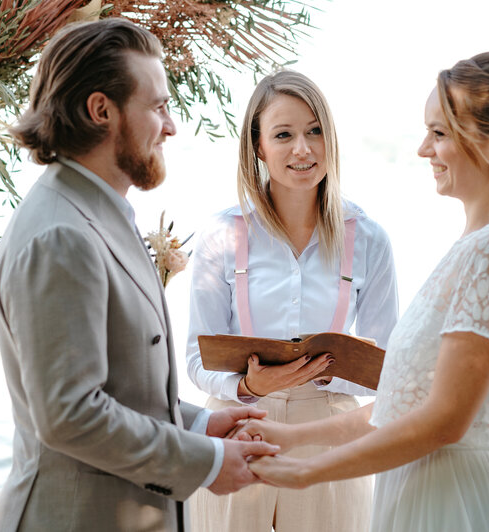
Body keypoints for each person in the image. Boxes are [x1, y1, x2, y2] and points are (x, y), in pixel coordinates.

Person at [238, 51, 489, 531]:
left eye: (440, 133)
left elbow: (445, 421)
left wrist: (306, 473)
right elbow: (399, 408)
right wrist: (289, 436)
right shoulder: (477, 246)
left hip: (449, 501)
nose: (424, 149)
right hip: (420, 489)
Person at [0, 18, 279, 532]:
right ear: (101, 111)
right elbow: (71, 414)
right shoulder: (62, 235)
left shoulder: (93, 214)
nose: (171, 127)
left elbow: (124, 386)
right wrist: (206, 462)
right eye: (159, 107)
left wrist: (200, 424)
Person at [185, 70, 399, 532]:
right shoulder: (223, 234)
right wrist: (250, 388)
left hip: (330, 442)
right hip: (240, 429)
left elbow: (391, 373)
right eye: (284, 135)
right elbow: (195, 361)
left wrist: (324, 376)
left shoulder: (369, 239)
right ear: (258, 147)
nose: (303, 149)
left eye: (315, 131)